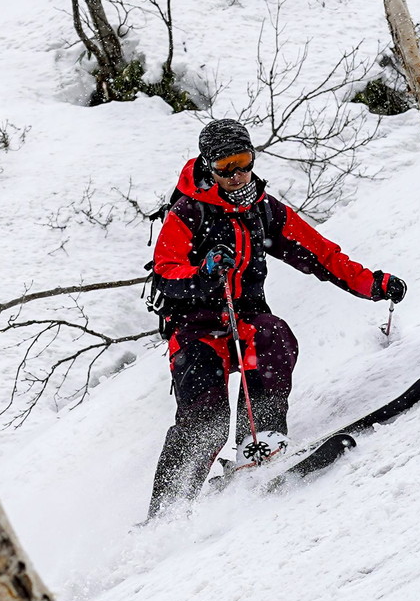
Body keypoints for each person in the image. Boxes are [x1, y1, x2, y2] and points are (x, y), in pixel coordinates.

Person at [147, 118, 406, 516]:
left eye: (243, 161)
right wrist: (203, 274)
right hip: (196, 329)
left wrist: (372, 283)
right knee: (207, 418)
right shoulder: (188, 212)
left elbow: (321, 254)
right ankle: (167, 511)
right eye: (225, 166)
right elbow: (166, 274)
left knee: (273, 336)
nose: (237, 175)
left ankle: (260, 442)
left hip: (245, 320)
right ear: (208, 167)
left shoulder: (263, 211)